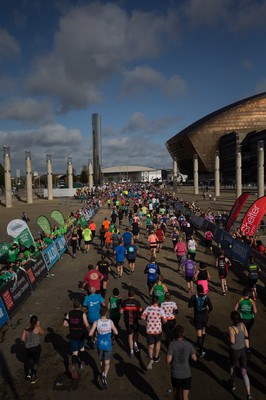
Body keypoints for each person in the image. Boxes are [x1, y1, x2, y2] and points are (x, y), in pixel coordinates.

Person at [89, 306, 118, 389]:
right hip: (108, 345)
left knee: (101, 361)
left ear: (99, 313)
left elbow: (90, 334)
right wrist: (109, 331)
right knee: (107, 363)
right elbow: (116, 332)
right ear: (106, 313)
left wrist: (97, 332)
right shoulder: (110, 322)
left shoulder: (96, 322)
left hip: (100, 345)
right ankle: (105, 374)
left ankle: (102, 373)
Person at [167, 325, 197, 400]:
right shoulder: (188, 344)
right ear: (183, 334)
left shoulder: (172, 344)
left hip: (176, 374)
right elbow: (195, 358)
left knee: (176, 394)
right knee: (185, 397)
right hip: (186, 374)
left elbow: (168, 360)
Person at [228, 311, 252, 399]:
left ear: (232, 319)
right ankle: (249, 394)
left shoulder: (231, 328)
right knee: (244, 372)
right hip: (243, 351)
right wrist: (248, 349)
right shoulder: (242, 325)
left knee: (233, 367)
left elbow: (232, 341)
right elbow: (246, 336)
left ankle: (233, 384)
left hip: (234, 351)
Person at [63, 299, 90, 379]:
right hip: (80, 335)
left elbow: (65, 324)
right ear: (80, 306)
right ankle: (82, 363)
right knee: (82, 349)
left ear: (73, 306)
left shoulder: (69, 313)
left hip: (72, 335)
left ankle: (73, 366)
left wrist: (71, 325)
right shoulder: (82, 314)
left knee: (74, 352)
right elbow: (87, 324)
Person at [141, 295, 166, 370]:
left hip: (149, 330)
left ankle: (151, 358)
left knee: (150, 345)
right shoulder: (160, 310)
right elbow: (165, 320)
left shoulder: (148, 308)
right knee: (158, 343)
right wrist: (162, 321)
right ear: (158, 301)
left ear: (152, 301)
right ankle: (156, 357)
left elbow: (142, 317)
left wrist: (147, 319)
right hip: (157, 330)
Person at [188, 284, 213, 358]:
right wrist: (207, 312)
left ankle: (201, 349)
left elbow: (189, 305)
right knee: (203, 330)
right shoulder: (206, 298)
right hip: (205, 316)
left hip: (197, 316)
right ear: (203, 290)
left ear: (197, 290)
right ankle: (201, 343)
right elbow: (211, 307)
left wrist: (194, 304)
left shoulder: (194, 297)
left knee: (198, 333)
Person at [21, 315, 44, 384]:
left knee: (30, 360)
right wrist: (38, 325)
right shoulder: (37, 328)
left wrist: (28, 342)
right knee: (36, 361)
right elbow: (42, 333)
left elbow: (22, 339)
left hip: (28, 348)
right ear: (36, 321)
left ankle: (28, 373)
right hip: (36, 347)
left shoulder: (26, 329)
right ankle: (33, 375)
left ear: (30, 321)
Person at [120, 288, 142, 358]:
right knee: (136, 332)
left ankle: (131, 351)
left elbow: (121, 311)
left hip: (127, 321)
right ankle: (135, 343)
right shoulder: (137, 302)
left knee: (130, 335)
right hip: (135, 321)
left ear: (128, 294)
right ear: (134, 295)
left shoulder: (124, 302)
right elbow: (141, 311)